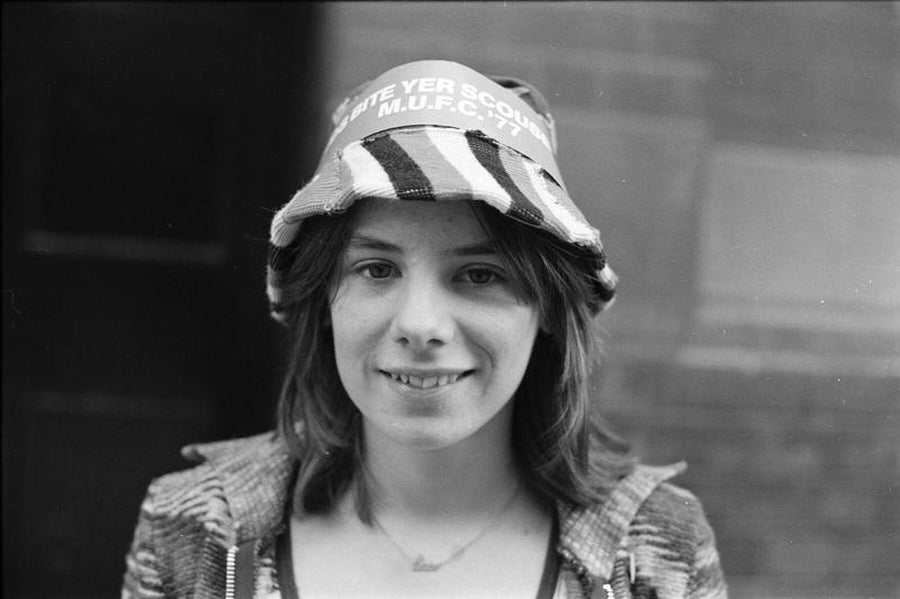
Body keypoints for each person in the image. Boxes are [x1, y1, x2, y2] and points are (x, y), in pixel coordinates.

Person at [122, 60, 727, 599]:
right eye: (376, 268)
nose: (419, 325)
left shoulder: (651, 551)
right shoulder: (196, 532)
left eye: (480, 274)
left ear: (547, 307)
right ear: (323, 299)